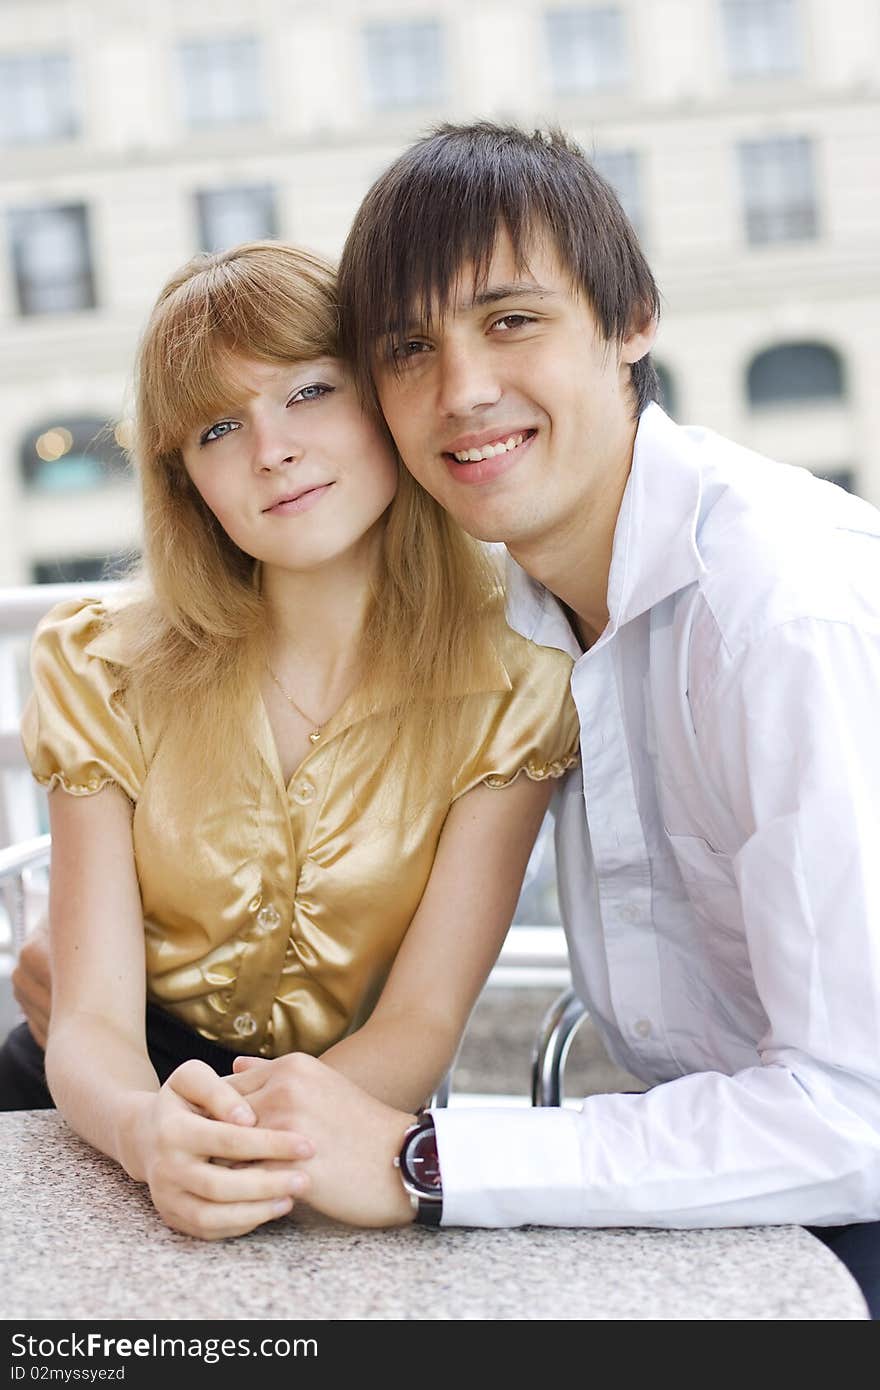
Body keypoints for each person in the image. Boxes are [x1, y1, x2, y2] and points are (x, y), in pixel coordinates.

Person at [208, 124, 880, 1315]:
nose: (462, 391)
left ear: (631, 323)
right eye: (410, 347)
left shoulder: (778, 610)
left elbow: (853, 1116)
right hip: (720, 1207)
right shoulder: (518, 615)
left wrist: (427, 1160)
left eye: (511, 321)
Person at [0, 238, 580, 1240]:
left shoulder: (520, 673)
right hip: (89, 1125)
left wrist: (245, 1145)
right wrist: (149, 1133)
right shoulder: (101, 662)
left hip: (344, 1124)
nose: (271, 448)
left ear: (386, 398)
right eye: (219, 426)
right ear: (187, 482)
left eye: (310, 390)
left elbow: (419, 1024)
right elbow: (89, 1018)